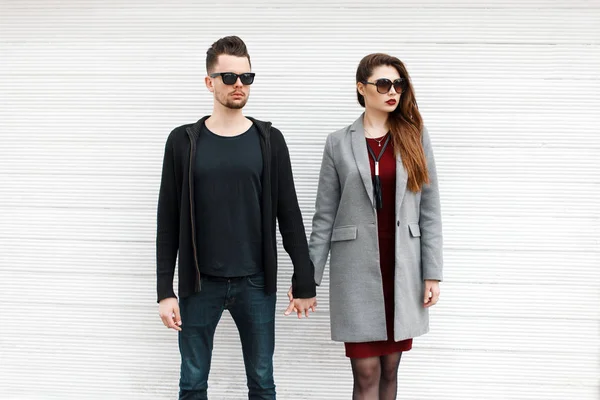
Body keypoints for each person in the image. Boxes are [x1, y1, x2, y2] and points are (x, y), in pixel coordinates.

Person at [155, 35, 317, 400]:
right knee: (193, 383)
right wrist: (165, 290)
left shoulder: (269, 140)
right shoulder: (183, 142)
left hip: (255, 284)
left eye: (246, 77)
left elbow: (288, 213)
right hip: (199, 285)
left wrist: (304, 276)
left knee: (262, 382)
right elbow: (168, 221)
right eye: (228, 77)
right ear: (209, 82)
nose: (238, 84)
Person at [306, 53, 443, 399]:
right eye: (383, 84)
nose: (392, 91)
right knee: (366, 373)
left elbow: (429, 209)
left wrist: (432, 273)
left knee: (390, 371)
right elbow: (325, 215)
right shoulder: (338, 142)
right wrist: (308, 278)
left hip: (403, 270)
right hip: (356, 272)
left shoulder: (415, 136)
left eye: (398, 84)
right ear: (361, 88)